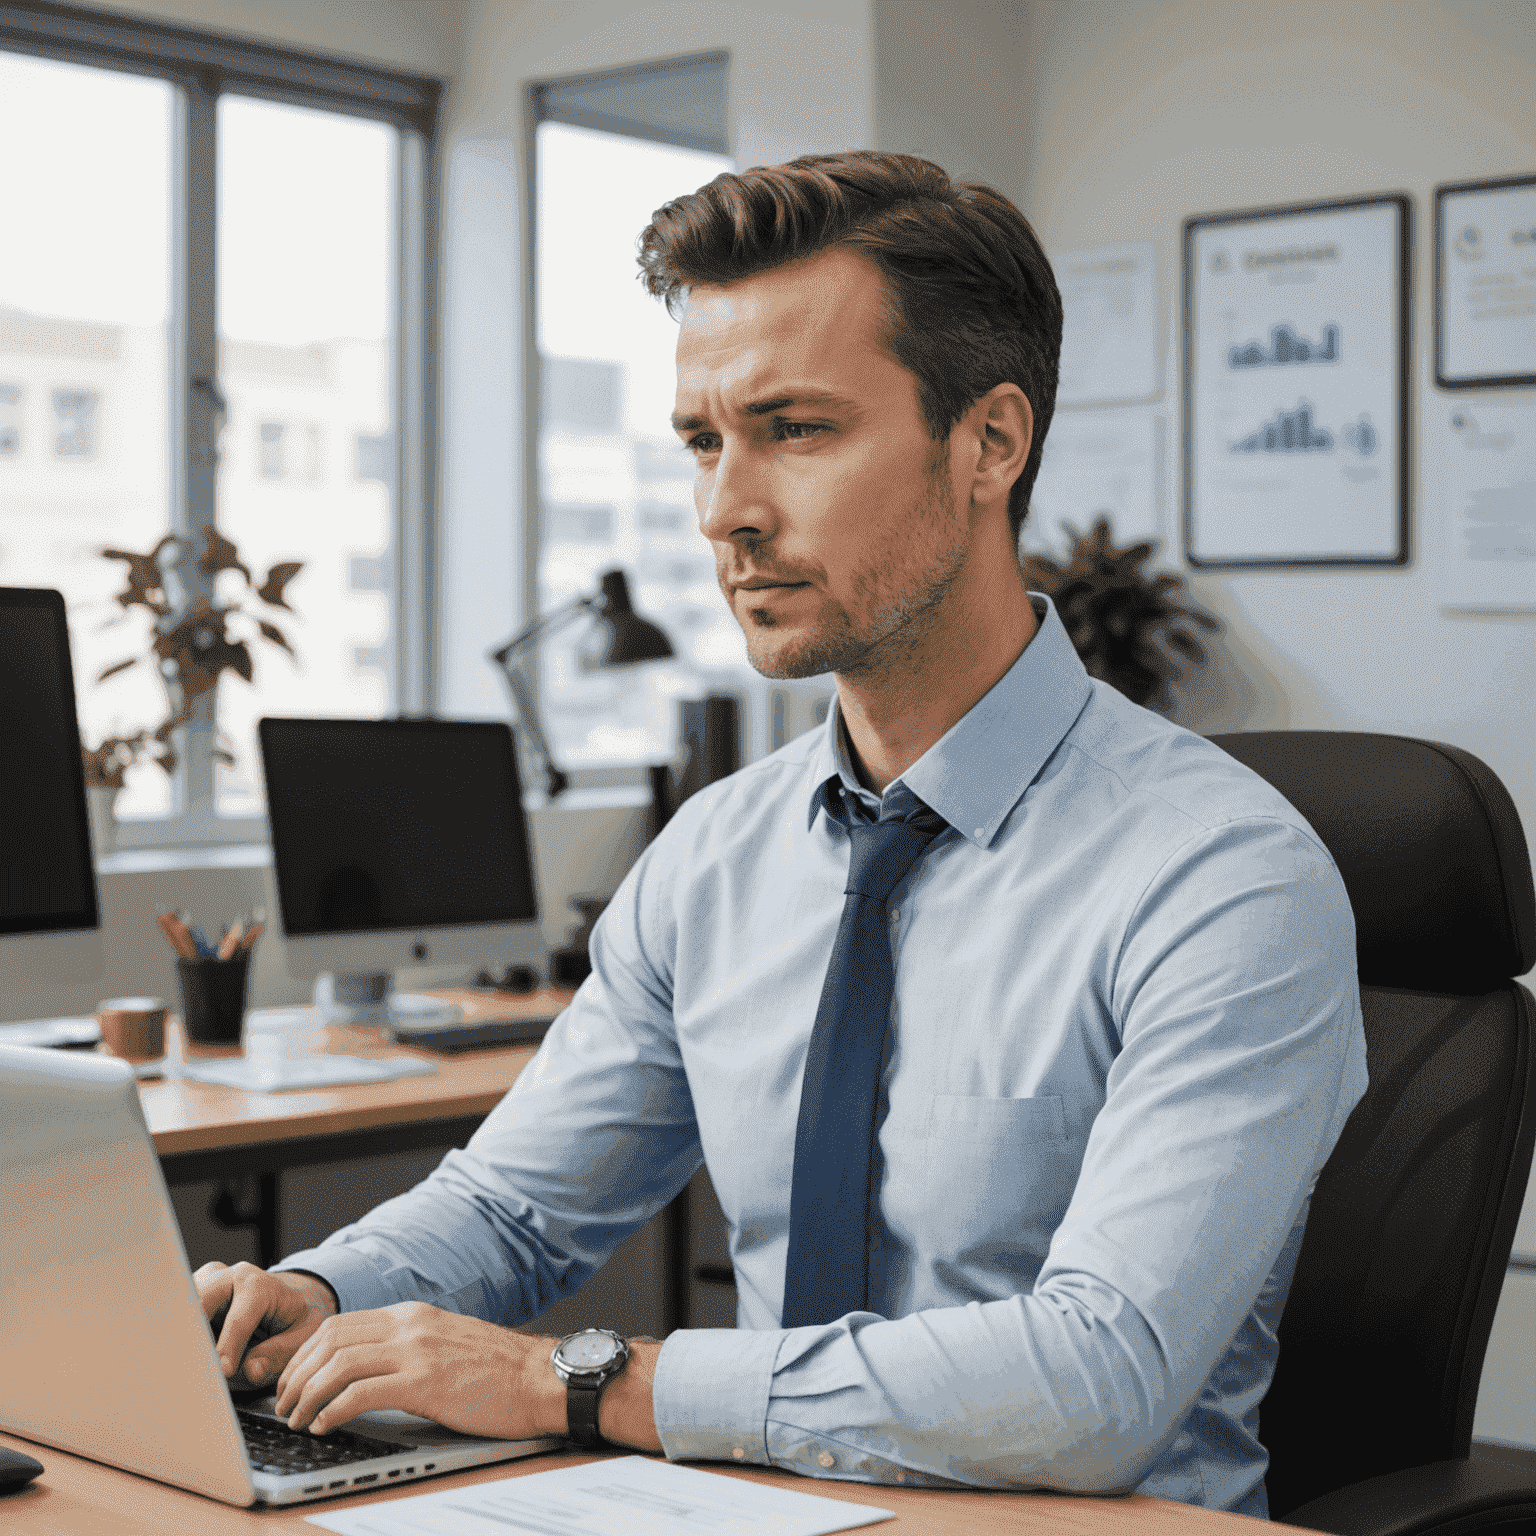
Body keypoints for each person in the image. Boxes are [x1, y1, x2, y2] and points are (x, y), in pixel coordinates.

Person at [197, 152, 1366, 1517]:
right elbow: (517, 1210)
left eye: (795, 430)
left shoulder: (1224, 880)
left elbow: (1099, 1379)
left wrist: (575, 1382)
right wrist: (320, 1291)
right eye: (703, 441)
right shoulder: (714, 859)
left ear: (990, 442)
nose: (724, 513)